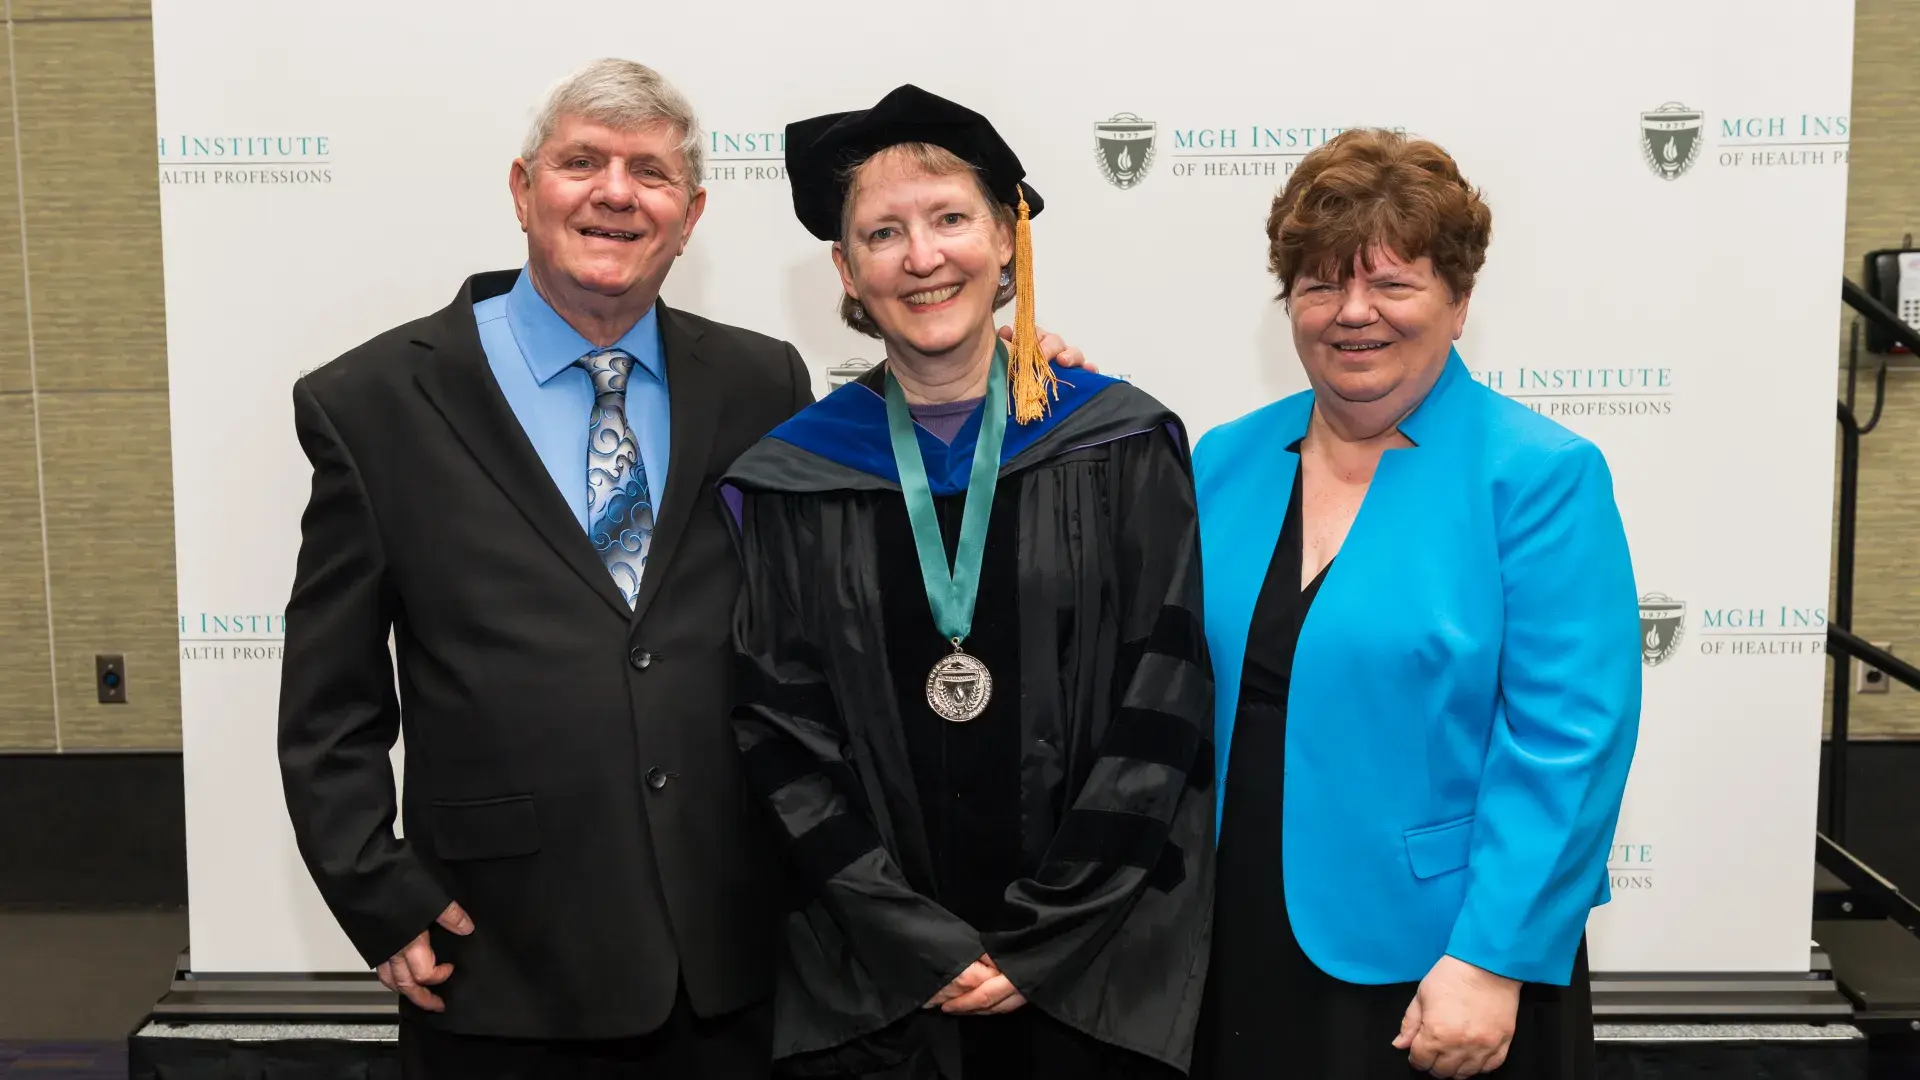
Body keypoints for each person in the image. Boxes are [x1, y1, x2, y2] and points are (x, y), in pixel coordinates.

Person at [276, 61, 1086, 1079]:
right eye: (582, 163)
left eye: (651, 173)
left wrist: (1010, 365)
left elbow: (878, 522)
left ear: (691, 212)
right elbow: (328, 702)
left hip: (737, 958)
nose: (616, 192)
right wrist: (374, 890)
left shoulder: (760, 381)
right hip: (500, 963)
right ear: (524, 188)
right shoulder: (375, 401)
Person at [720, 85, 1214, 1080]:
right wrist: (915, 941)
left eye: (950, 219)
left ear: (1006, 237)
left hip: (1091, 972)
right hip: (873, 987)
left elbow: (1163, 705)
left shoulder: (1118, 445)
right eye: (883, 232)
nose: (922, 255)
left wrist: (1046, 936)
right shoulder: (791, 477)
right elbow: (776, 729)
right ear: (846, 269)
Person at [1190, 129, 1640, 1080]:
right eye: (1320, 284)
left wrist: (1492, 957)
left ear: (1460, 301)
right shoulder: (1221, 460)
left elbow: (1572, 740)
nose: (1353, 313)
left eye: (1393, 284)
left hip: (1440, 955)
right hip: (1235, 935)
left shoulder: (1539, 476)